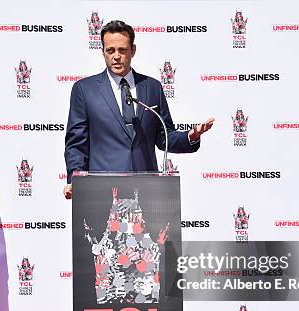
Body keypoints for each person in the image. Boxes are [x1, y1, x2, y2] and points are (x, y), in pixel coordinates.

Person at [63, 20, 215, 199]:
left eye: (122, 50)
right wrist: (75, 178)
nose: (116, 56)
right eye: (110, 50)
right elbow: (76, 143)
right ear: (103, 52)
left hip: (145, 191)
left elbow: (164, 136)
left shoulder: (152, 87)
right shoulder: (84, 89)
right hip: (102, 192)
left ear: (133, 50)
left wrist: (191, 136)